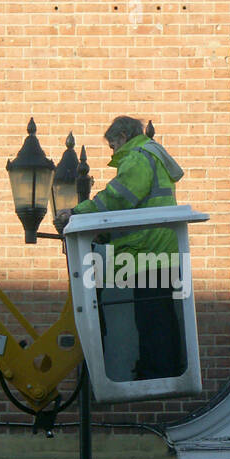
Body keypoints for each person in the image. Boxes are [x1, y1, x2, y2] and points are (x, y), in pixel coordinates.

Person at [56, 116, 186, 381]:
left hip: (148, 250)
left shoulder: (137, 158)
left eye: (113, 144)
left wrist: (78, 212)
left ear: (124, 136)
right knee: (159, 314)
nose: (113, 151)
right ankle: (160, 366)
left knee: (151, 317)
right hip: (158, 248)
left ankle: (154, 370)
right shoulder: (151, 155)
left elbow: (117, 198)